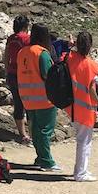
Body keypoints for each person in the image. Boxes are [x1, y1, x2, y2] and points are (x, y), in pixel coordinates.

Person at [16, 23, 60, 170]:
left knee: (35, 130)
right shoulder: (42, 53)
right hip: (44, 99)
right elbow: (49, 76)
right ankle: (47, 161)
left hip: (27, 99)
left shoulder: (22, 52)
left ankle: (40, 157)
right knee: (45, 131)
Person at [66, 30, 98, 182]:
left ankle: (81, 170)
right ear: (91, 45)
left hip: (72, 106)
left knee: (82, 140)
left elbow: (72, 55)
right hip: (86, 108)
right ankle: (81, 173)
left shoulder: (69, 57)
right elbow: (92, 90)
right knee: (84, 141)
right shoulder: (91, 65)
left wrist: (72, 46)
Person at [4, 16, 32, 145]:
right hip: (24, 74)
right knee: (29, 104)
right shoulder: (26, 38)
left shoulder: (11, 38)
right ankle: (31, 133)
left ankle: (22, 134)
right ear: (26, 26)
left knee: (18, 104)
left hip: (12, 73)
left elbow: (6, 56)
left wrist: (6, 71)